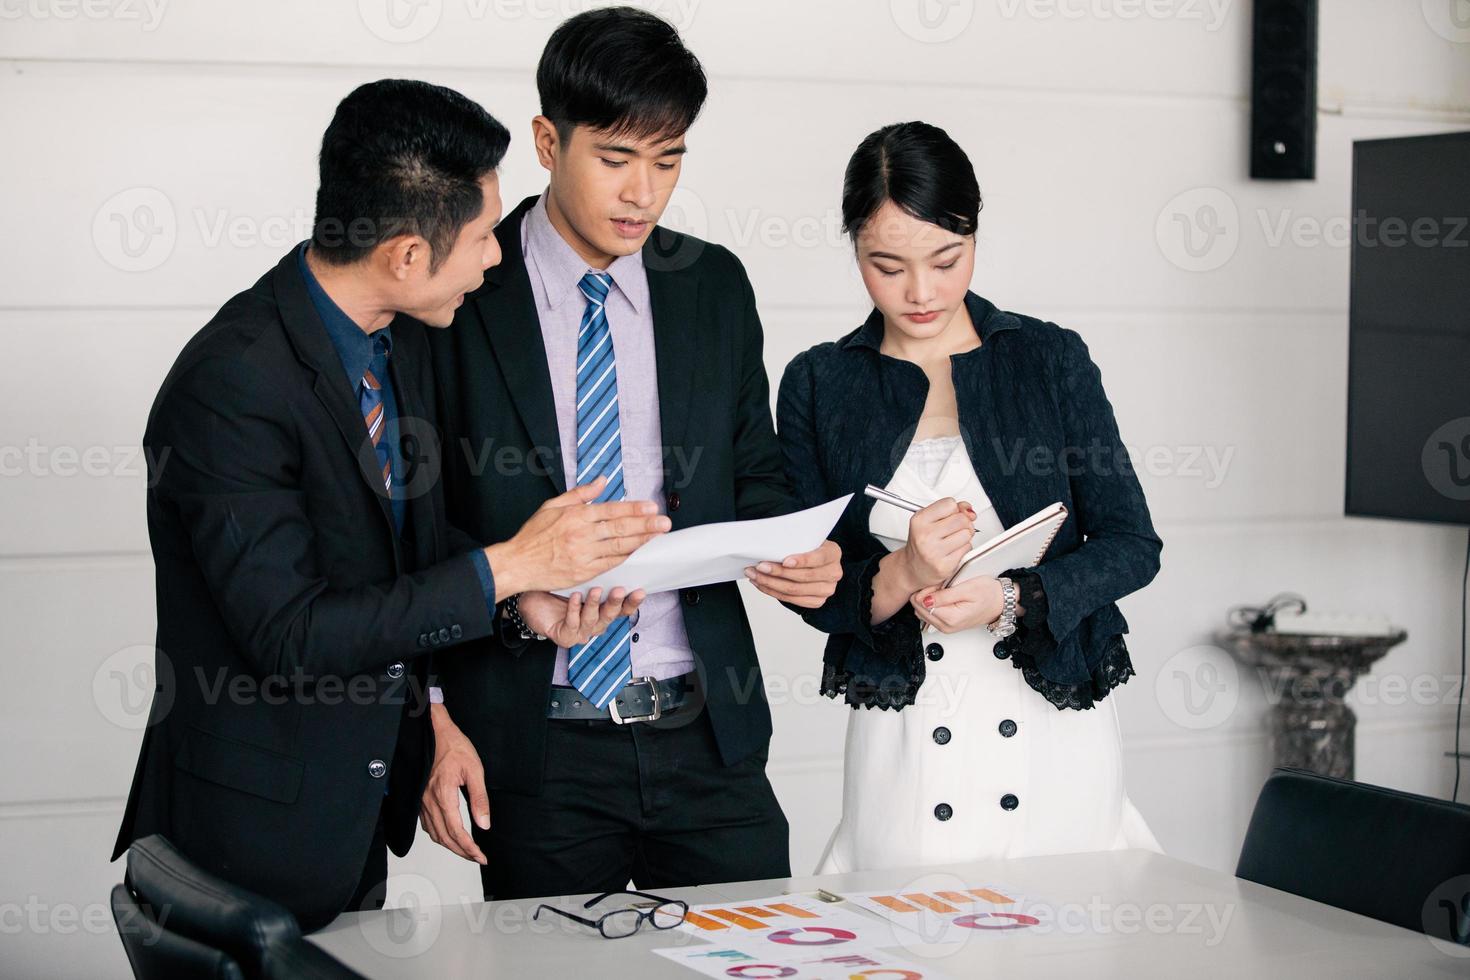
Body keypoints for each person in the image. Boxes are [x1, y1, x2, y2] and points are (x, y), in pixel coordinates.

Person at [111, 79, 667, 930]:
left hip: (350, 821)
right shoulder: (231, 385)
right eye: (483, 237)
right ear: (408, 253)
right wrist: (510, 563)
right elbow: (293, 636)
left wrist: (518, 605)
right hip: (249, 835)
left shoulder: (389, 339)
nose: (494, 259)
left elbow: (399, 551)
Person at [419, 7, 842, 900]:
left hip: (706, 739)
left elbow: (754, 473)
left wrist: (801, 555)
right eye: (616, 158)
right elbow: (416, 523)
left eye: (669, 159)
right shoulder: (462, 291)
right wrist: (468, 661)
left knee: (760, 958)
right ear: (546, 141)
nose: (643, 193)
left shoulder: (712, 285)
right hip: (538, 748)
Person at [774, 121, 1163, 873]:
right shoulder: (821, 382)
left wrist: (1011, 599)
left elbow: (1131, 545)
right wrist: (904, 575)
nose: (920, 292)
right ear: (853, 245)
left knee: (1062, 930)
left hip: (1050, 720)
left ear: (974, 236)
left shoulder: (1047, 358)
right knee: (902, 934)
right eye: (886, 266)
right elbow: (816, 587)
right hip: (909, 736)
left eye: (945, 260)